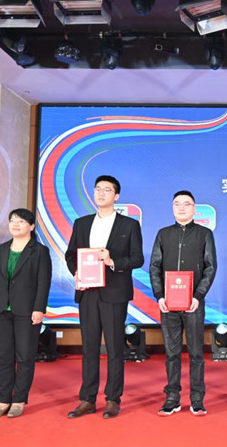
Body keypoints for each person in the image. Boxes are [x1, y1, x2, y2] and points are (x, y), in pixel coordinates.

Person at [65, 175, 144, 419]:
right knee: (89, 348)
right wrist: (76, 272)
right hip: (87, 292)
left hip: (114, 293)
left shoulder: (129, 225)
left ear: (116, 196)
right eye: (97, 189)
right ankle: (87, 399)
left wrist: (112, 261)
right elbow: (70, 255)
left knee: (114, 348)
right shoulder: (81, 223)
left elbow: (137, 258)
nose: (101, 193)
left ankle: (112, 399)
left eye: (107, 190)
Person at [149, 190, 217, 416]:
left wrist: (198, 296)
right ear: (172, 208)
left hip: (193, 304)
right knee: (172, 353)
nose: (181, 207)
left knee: (196, 353)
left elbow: (210, 267)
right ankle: (172, 397)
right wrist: (160, 295)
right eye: (177, 204)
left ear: (194, 209)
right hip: (168, 304)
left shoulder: (204, 234)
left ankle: (197, 399)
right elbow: (155, 267)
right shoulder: (163, 234)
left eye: (186, 204)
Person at [0, 208, 52, 419]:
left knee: (25, 356)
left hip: (27, 311)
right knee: (3, 357)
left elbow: (43, 282)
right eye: (12, 220)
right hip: (1, 309)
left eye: (21, 221)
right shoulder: (1, 250)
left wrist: (39, 308)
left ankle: (19, 400)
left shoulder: (39, 251)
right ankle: (3, 400)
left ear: (31, 226)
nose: (15, 224)